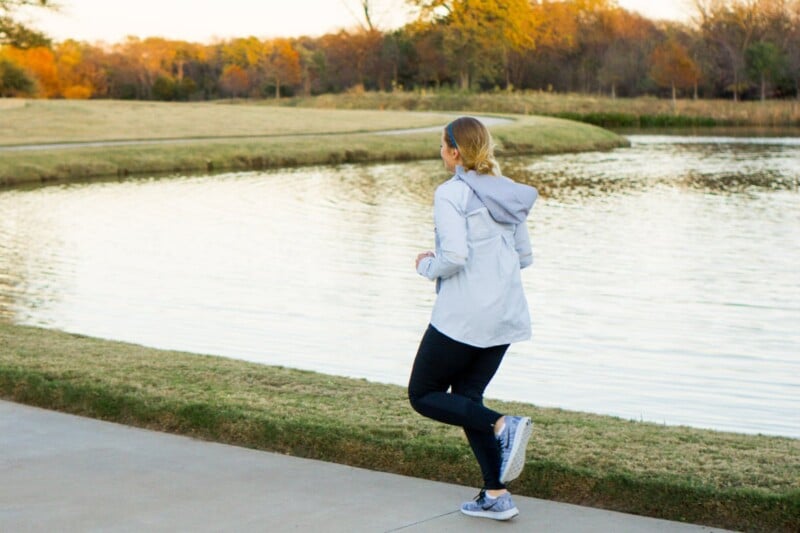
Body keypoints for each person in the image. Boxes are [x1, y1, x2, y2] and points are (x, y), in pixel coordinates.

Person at [408, 116, 537, 521]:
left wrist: (427, 266)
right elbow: (525, 257)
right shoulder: (507, 192)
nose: (440, 153)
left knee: (423, 394)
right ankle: (496, 494)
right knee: (466, 400)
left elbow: (455, 257)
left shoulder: (451, 194)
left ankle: (504, 425)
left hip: (463, 318)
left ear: (455, 152)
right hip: (505, 317)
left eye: (442, 146)